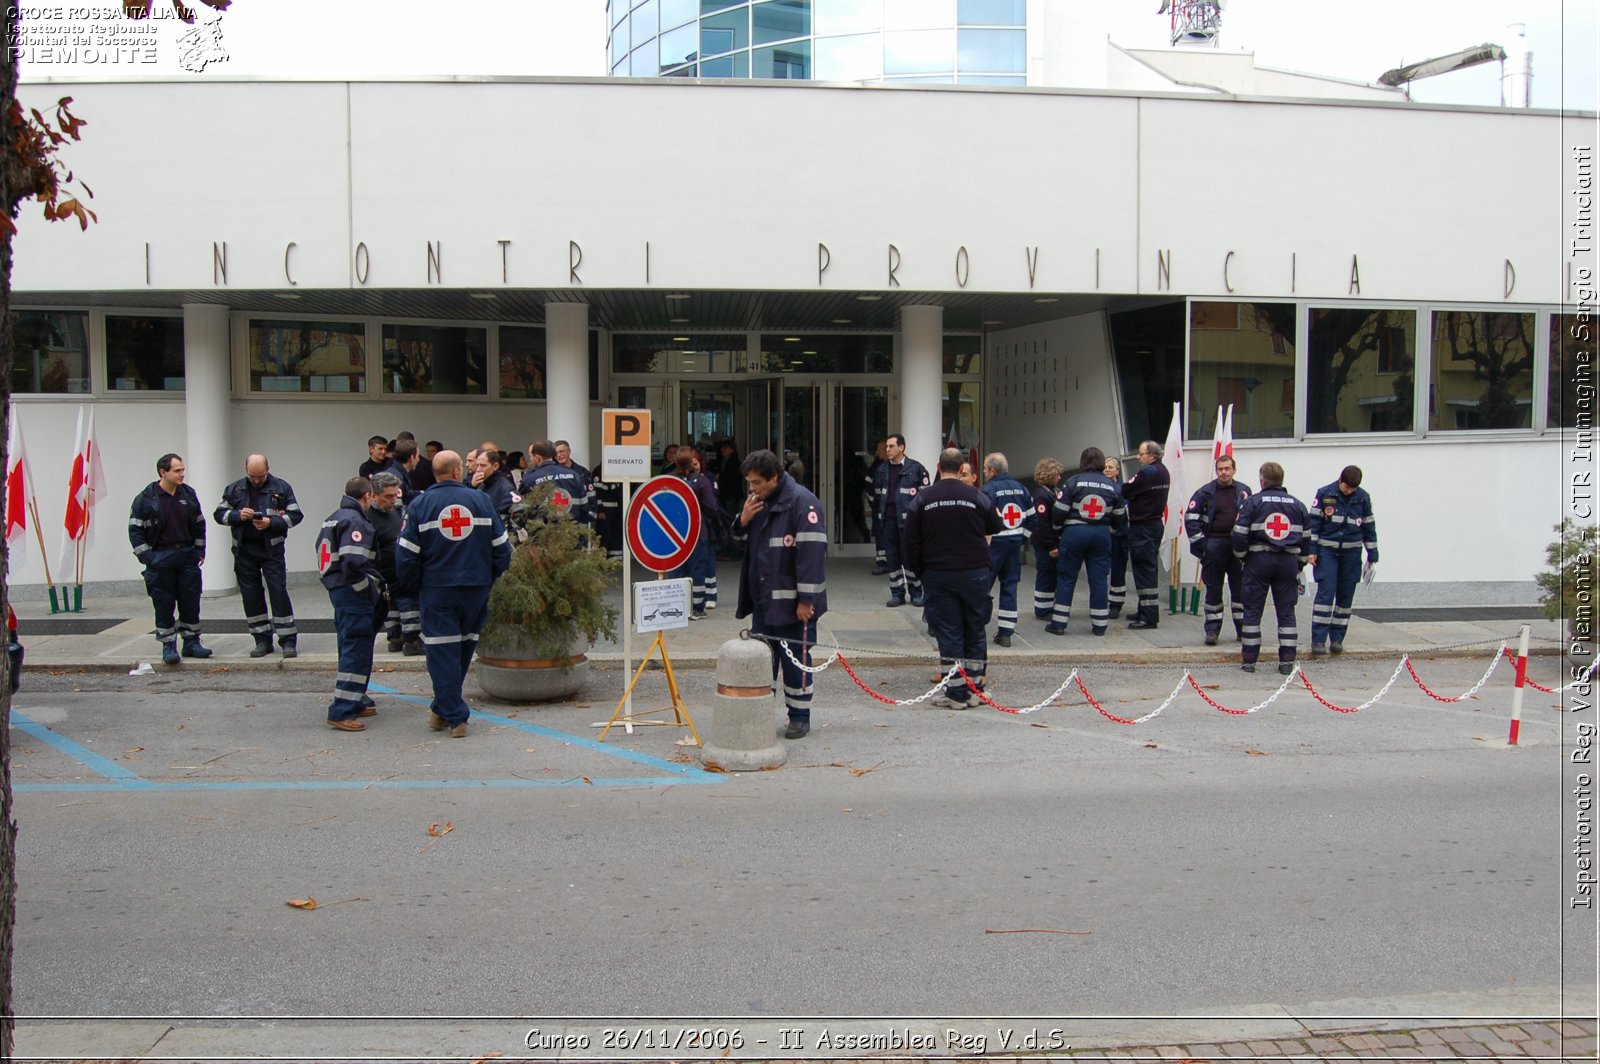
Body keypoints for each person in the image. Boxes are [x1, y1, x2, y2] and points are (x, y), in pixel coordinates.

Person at [396, 450, 512, 738]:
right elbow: (503, 549)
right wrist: (488, 577)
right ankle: (442, 709)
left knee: (441, 651)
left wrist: (414, 585)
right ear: (458, 471)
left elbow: (406, 555)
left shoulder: (420, 505)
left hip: (437, 589)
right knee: (461, 649)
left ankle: (454, 716)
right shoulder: (481, 501)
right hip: (475, 587)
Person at [734, 448, 827, 740]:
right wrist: (742, 521)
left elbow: (811, 556)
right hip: (763, 600)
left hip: (794, 605)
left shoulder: (803, 503)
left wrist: (806, 600)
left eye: (757, 483)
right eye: (749, 483)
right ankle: (762, 715)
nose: (752, 489)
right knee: (764, 660)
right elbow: (736, 547)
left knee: (795, 662)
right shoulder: (756, 504)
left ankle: (799, 717)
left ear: (774, 477)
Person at [907, 448, 1004, 708]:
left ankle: (956, 693)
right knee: (975, 628)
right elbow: (995, 526)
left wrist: (920, 571)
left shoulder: (924, 498)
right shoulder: (977, 496)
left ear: (938, 466)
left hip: (938, 574)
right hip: (975, 573)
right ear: (962, 468)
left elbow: (910, 540)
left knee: (948, 631)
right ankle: (976, 688)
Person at [213, 453, 304, 659]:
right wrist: (238, 516)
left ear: (268, 469)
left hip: (271, 550)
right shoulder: (234, 489)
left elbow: (296, 515)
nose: (256, 480)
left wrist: (271, 523)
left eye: (260, 476)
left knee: (278, 593)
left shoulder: (281, 488)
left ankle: (288, 640)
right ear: (246, 470)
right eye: (252, 476)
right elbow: (219, 514)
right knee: (251, 596)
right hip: (244, 550)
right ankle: (261, 640)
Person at [316, 477, 385, 732]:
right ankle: (342, 709)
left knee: (350, 646)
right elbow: (353, 562)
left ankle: (355, 699)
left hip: (339, 591)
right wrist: (368, 588)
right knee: (356, 649)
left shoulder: (333, 517)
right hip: (352, 594)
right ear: (367, 496)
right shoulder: (355, 520)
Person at [129, 453, 211, 665]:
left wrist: (199, 551)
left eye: (183, 470)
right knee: (164, 603)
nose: (182, 474)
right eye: (177, 470)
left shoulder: (188, 494)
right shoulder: (145, 499)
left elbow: (199, 524)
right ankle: (168, 645)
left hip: (186, 556)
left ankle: (192, 642)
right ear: (163, 472)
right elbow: (135, 530)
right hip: (161, 558)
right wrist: (148, 558)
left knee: (190, 600)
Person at [1232, 461, 1311, 675]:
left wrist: (1242, 557)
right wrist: (1300, 565)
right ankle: (1286, 661)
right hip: (1287, 563)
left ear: (1262, 480)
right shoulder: (1298, 505)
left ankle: (1249, 660)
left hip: (1258, 561)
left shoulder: (1253, 503)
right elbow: (1306, 539)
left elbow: (1238, 534)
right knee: (1286, 612)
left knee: (1252, 611)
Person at [1046, 447, 1126, 636]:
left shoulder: (1073, 483)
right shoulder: (1112, 486)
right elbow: (1120, 516)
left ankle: (1058, 624)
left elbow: (1058, 512)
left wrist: (1058, 531)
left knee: (1066, 578)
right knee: (1098, 580)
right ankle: (1100, 625)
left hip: (1074, 534)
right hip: (1101, 535)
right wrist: (1109, 530)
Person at [1307, 464, 1379, 656]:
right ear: (1341, 481)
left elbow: (1369, 527)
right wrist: (1311, 550)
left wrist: (1372, 555)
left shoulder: (1362, 497)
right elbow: (1313, 525)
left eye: (1353, 489)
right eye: (1347, 487)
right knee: (1326, 594)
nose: (1349, 491)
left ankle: (1337, 638)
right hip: (1327, 551)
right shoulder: (1324, 494)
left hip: (1351, 554)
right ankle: (1318, 640)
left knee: (1345, 596)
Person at [1184, 454, 1252, 646]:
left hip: (1237, 548)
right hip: (1213, 545)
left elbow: (1251, 519)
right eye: (1220, 469)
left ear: (1234, 470)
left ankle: (1242, 630)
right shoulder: (1204, 493)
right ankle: (1212, 631)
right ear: (1216, 471)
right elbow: (1191, 519)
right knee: (1213, 589)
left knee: (1240, 590)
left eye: (1227, 468)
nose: (1223, 472)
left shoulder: (1244, 492)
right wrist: (1202, 547)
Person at [980, 452, 1033, 648]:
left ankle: (977, 626)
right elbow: (1033, 518)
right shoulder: (1022, 489)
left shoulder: (988, 490)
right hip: (1014, 546)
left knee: (982, 587)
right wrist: (1021, 539)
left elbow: (981, 520)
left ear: (993, 470)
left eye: (985, 469)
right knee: (1010, 588)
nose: (984, 472)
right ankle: (1005, 634)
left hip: (993, 547)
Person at [874, 433, 929, 608]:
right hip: (888, 520)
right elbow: (876, 495)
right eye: (887, 447)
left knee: (910, 557)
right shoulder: (882, 469)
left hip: (909, 522)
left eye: (891, 446)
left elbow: (924, 497)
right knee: (892, 558)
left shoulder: (916, 469)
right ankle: (897, 593)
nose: (887, 450)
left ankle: (916, 592)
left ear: (902, 448)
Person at [369, 472, 422, 655]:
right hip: (387, 574)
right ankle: (410, 640)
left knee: (399, 606)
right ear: (373, 495)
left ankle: (398, 637)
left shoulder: (392, 513)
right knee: (405, 605)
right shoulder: (368, 518)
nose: (393, 500)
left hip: (399, 571)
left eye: (395, 495)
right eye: (388, 497)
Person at [1121, 440, 1170, 630]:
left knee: (1144, 570)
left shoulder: (1148, 472)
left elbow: (1126, 490)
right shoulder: (1163, 471)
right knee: (1147, 568)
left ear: (1152, 455)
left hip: (1143, 527)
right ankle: (1144, 608)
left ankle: (1149, 617)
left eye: (1141, 454)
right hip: (1153, 524)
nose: (1138, 457)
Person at [671, 448, 723, 617]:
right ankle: (697, 608)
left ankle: (677, 606)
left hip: (674, 533)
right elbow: (712, 507)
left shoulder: (670, 480)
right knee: (697, 569)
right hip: (697, 532)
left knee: (677, 568)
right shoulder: (701, 481)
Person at [522, 439, 591, 524]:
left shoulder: (530, 479)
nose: (530, 459)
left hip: (544, 532)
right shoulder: (574, 475)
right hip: (572, 529)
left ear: (537, 458)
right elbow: (584, 506)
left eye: (531, 456)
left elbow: (522, 510)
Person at [1030, 457, 1064, 622]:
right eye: (1057, 474)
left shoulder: (1052, 491)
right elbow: (1041, 523)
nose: (1059, 478)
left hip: (1052, 541)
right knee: (1046, 574)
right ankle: (1043, 609)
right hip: (1045, 544)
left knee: (1052, 574)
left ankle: (1049, 605)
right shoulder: (1041, 496)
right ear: (1050, 475)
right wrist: (1051, 546)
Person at [1103, 455, 1130, 619]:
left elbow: (1124, 514)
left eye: (1110, 467)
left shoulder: (1122, 490)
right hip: (1103, 536)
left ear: (1117, 471)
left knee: (1118, 571)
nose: (1107, 470)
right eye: (1105, 467)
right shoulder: (1099, 487)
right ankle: (1099, 602)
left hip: (1119, 536)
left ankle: (1115, 605)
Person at [868, 437, 890, 574]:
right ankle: (882, 562)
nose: (878, 452)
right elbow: (869, 485)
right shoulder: (876, 467)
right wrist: (873, 503)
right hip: (878, 508)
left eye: (881, 449)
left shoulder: (904, 467)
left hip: (893, 510)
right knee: (880, 535)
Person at [475, 448, 516, 520]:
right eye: (477, 465)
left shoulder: (505, 488)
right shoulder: (482, 484)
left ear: (495, 466)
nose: (478, 469)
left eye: (483, 465)